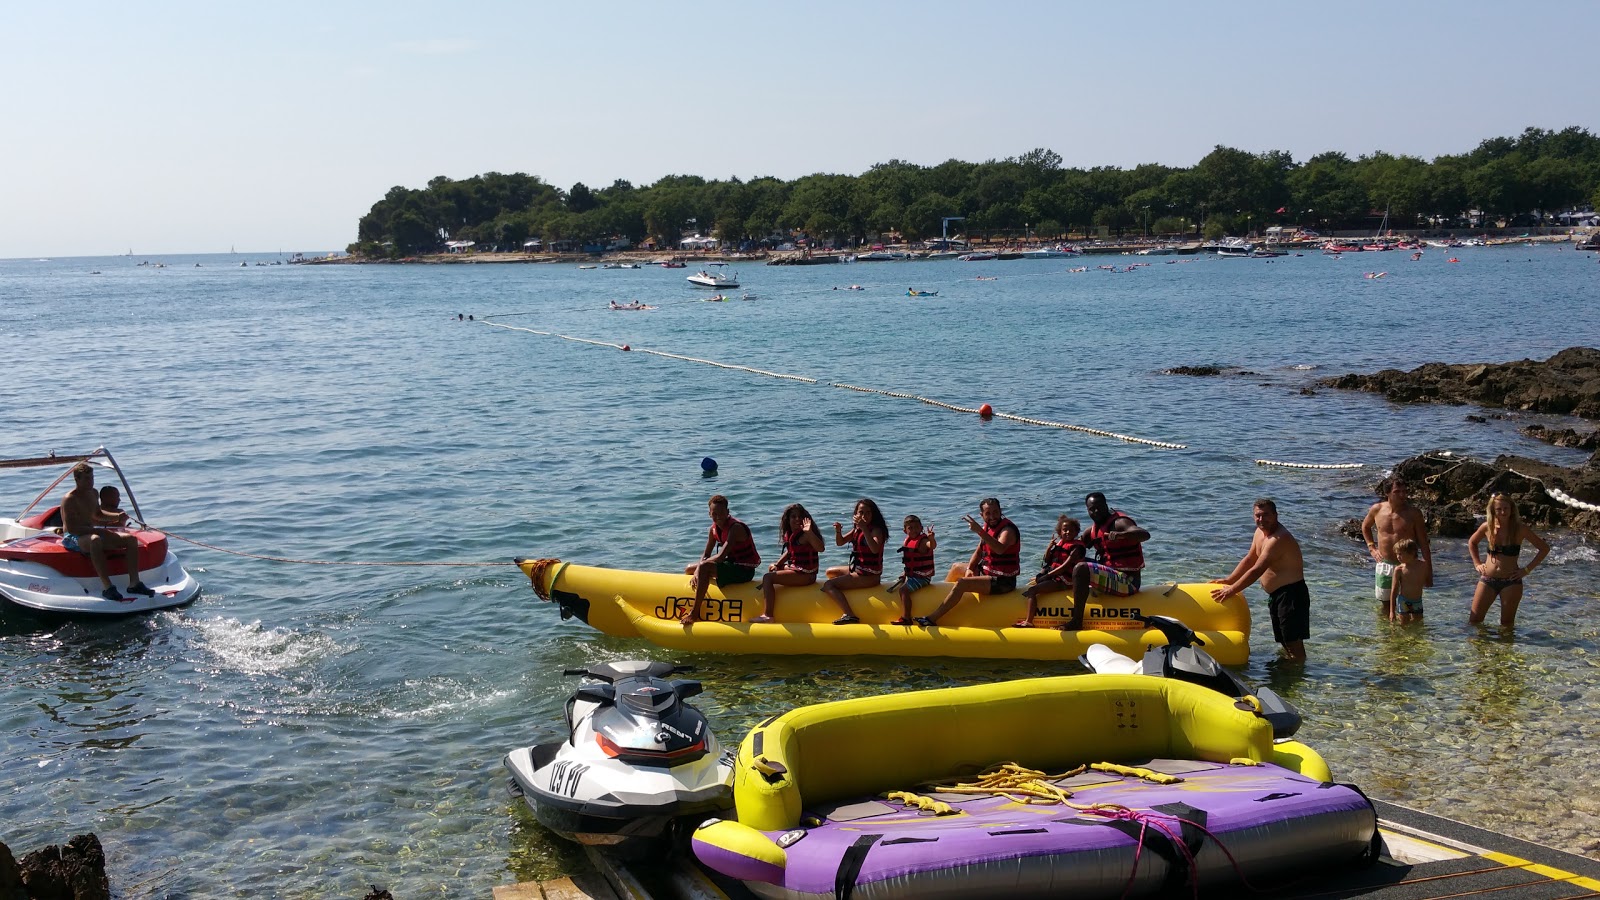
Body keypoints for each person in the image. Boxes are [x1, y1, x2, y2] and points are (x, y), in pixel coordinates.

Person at [1211, 499, 1308, 660]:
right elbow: (1250, 559)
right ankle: (1290, 673)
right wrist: (1229, 580)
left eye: (1266, 515)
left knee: (1293, 643)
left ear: (1276, 515)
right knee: (1284, 641)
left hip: (1292, 595)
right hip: (1277, 595)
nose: (1261, 520)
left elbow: (1257, 570)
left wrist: (1232, 590)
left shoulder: (1278, 539)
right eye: (1258, 516)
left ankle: (1299, 677)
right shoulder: (1259, 533)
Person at [916, 498, 1019, 627]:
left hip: (1003, 581)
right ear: (982, 515)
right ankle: (942, 599)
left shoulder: (1007, 530)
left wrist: (979, 531)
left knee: (962, 583)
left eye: (995, 512)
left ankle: (932, 619)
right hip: (987, 572)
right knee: (956, 567)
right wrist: (970, 568)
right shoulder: (987, 528)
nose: (992, 516)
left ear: (1000, 511)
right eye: (988, 514)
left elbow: (999, 549)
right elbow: (979, 551)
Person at [59, 462, 154, 602]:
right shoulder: (70, 499)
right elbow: (73, 529)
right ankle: (108, 587)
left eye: (92, 478)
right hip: (73, 537)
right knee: (95, 540)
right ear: (77, 479)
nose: (90, 482)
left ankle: (134, 583)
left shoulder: (94, 493)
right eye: (86, 479)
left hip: (90, 532)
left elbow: (97, 514)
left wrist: (117, 516)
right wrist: (98, 532)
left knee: (130, 539)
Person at [1061, 492, 1149, 631]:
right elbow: (1077, 548)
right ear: (1087, 510)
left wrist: (1122, 535)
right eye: (1091, 509)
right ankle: (1058, 585)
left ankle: (1077, 621)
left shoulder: (1120, 523)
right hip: (1111, 575)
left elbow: (1144, 534)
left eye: (1099, 507)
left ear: (1106, 506)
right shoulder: (1092, 530)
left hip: (1128, 582)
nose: (1095, 511)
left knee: (1081, 568)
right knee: (1073, 559)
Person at [1467, 493, 1550, 627]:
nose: (1503, 512)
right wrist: (1477, 563)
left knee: (1506, 625)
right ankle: (1480, 647)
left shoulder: (1520, 529)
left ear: (1512, 509)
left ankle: (1506, 648)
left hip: (1511, 582)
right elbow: (1472, 542)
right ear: (1493, 510)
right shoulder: (1487, 527)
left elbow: (1544, 549)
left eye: (1506, 508)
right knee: (1474, 621)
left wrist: (1526, 570)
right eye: (1499, 509)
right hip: (1487, 579)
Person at [682, 495, 760, 623]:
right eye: (714, 513)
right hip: (730, 565)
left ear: (728, 512)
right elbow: (706, 554)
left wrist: (701, 568)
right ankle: (703, 583)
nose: (718, 517)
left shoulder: (735, 528)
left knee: (703, 568)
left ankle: (694, 613)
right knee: (689, 569)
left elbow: (721, 556)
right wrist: (698, 569)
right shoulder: (713, 529)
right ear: (709, 514)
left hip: (744, 570)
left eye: (721, 513)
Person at [1362, 477, 1432, 615]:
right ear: (1388, 493)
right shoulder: (1377, 509)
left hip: (1409, 566)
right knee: (1386, 606)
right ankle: (1388, 634)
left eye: (1404, 491)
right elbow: (1365, 527)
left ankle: (1408, 635)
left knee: (1410, 606)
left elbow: (1424, 543)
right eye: (1397, 491)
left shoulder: (1414, 513)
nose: (1402, 495)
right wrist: (1372, 548)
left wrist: (1429, 571)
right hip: (1385, 564)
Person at [750, 504, 826, 624]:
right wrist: (778, 564)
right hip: (798, 570)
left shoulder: (806, 534)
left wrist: (809, 532)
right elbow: (790, 552)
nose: (797, 519)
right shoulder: (791, 534)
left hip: (806, 576)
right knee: (772, 567)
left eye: (800, 516)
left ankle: (768, 615)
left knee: (767, 578)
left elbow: (821, 548)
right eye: (793, 517)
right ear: (788, 520)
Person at [818, 499, 888, 625]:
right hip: (859, 569)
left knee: (829, 585)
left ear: (873, 515)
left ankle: (849, 614)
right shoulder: (857, 529)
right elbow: (840, 542)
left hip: (870, 575)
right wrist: (838, 531)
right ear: (855, 514)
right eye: (861, 513)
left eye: (868, 513)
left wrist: (864, 529)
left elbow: (875, 549)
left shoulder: (875, 530)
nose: (864, 516)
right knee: (830, 572)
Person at [1015, 515, 1085, 627]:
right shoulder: (1060, 544)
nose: (1067, 532)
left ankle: (1029, 621)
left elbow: (1065, 567)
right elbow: (1047, 560)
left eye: (1071, 530)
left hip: (1065, 580)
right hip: (1056, 577)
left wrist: (1046, 576)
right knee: (1036, 581)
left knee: (1032, 590)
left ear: (1076, 532)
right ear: (1059, 532)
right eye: (1064, 530)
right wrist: (1049, 547)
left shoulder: (1076, 548)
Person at [889, 515, 936, 626]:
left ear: (921, 528)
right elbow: (910, 561)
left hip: (923, 577)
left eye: (916, 527)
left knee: (903, 590)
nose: (914, 530)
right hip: (913, 575)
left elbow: (932, 546)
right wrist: (905, 573)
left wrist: (932, 539)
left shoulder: (924, 541)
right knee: (899, 584)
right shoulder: (908, 541)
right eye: (910, 528)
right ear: (905, 530)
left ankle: (906, 618)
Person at [1389, 538, 1427, 625]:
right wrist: (1392, 611)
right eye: (1397, 554)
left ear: (1412, 553)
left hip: (1417, 600)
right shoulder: (1399, 569)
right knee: (1403, 625)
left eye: (1400, 554)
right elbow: (1394, 590)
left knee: (1418, 624)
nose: (1398, 556)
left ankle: (1414, 638)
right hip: (1404, 601)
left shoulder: (1423, 565)